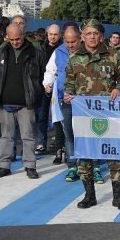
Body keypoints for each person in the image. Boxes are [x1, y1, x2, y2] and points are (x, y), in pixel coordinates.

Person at [64, 19, 120, 210]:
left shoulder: (113, 56)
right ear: (82, 37)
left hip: (109, 114)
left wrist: (119, 89)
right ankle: (89, 195)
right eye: (88, 33)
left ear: (102, 36)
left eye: (96, 33)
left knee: (114, 155)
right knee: (85, 155)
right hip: (84, 116)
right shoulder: (74, 59)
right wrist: (68, 94)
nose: (92, 37)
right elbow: (69, 83)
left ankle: (118, 197)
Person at [0, 22, 47, 179]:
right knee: (6, 136)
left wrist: (39, 93)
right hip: (5, 101)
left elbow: (43, 74)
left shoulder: (36, 52)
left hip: (27, 102)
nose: (15, 42)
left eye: (18, 38)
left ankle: (30, 166)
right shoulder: (2, 51)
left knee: (28, 136)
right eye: (12, 39)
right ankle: (4, 166)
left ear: (23, 35)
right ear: (7, 37)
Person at [44, 25, 82, 180]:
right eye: (67, 42)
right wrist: (47, 84)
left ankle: (91, 165)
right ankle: (72, 166)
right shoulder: (58, 52)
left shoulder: (87, 52)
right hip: (64, 99)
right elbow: (50, 71)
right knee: (68, 134)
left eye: (73, 42)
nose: (70, 45)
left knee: (85, 134)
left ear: (80, 38)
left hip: (83, 102)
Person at [35, 24, 63, 155]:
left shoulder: (63, 49)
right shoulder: (39, 49)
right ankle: (41, 142)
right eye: (51, 34)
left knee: (59, 117)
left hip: (60, 88)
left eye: (55, 34)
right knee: (42, 116)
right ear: (47, 34)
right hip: (43, 87)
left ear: (60, 35)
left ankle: (59, 143)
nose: (53, 37)